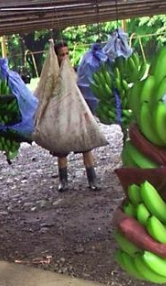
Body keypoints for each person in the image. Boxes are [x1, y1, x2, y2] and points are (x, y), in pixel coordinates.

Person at [51, 41, 101, 192]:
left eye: (67, 54)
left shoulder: (73, 71)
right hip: (61, 114)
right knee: (61, 149)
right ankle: (63, 181)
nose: (65, 57)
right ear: (56, 57)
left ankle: (92, 179)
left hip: (78, 113)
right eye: (62, 55)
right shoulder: (53, 74)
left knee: (86, 147)